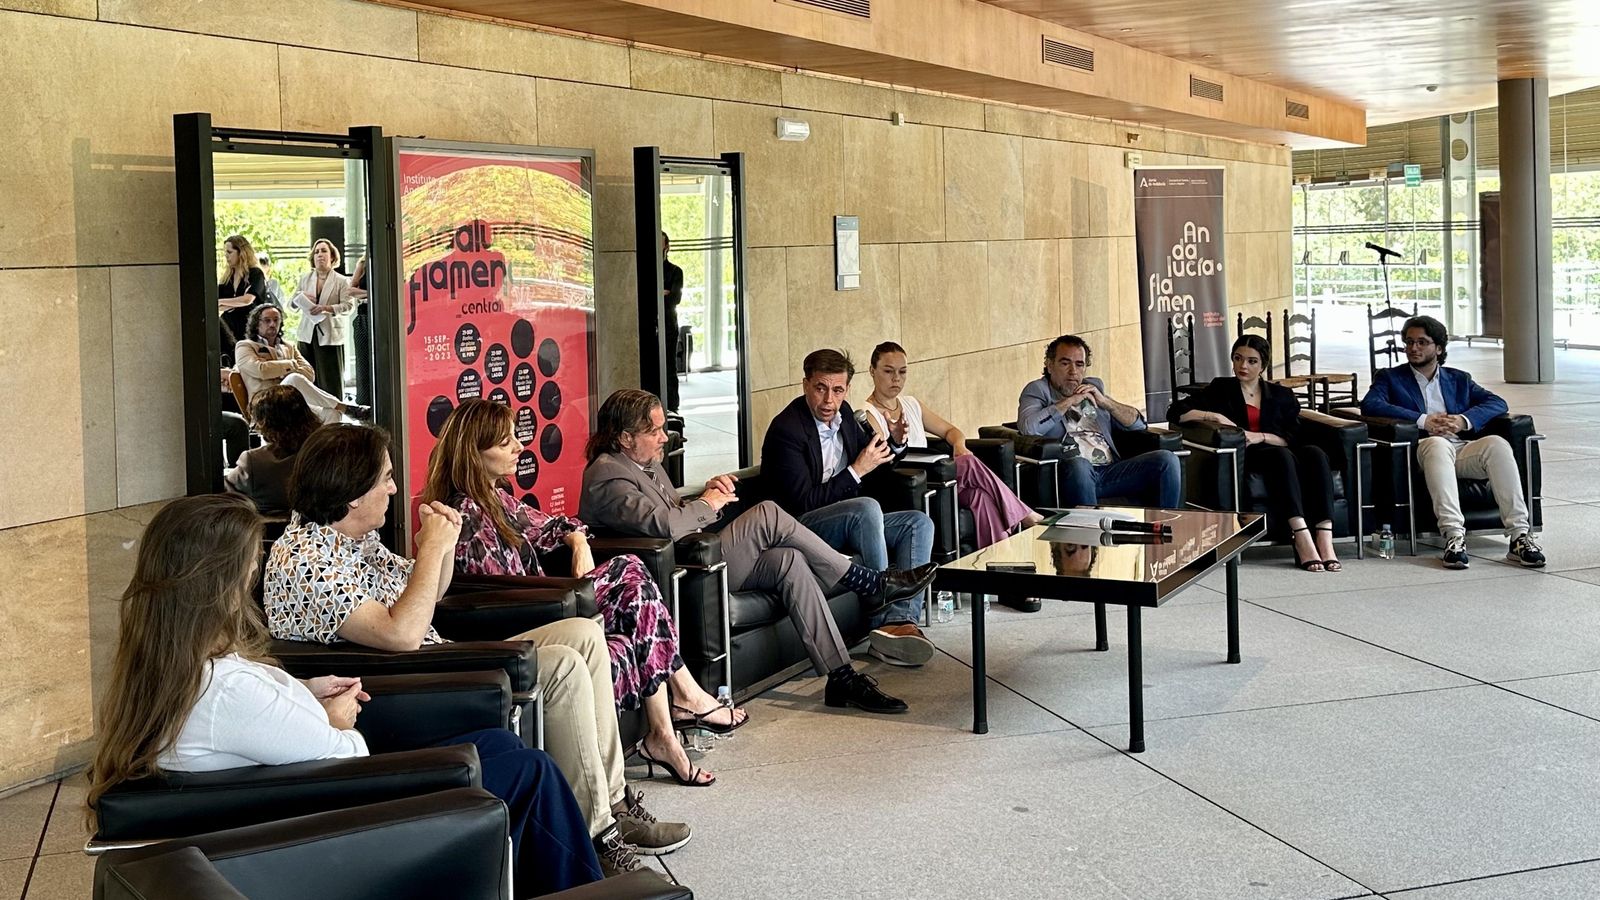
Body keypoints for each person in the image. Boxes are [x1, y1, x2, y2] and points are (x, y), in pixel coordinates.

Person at [86, 494, 605, 898]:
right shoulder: (226, 689)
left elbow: (248, 723)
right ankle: (589, 890)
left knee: (503, 746)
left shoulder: (163, 670)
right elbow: (346, 754)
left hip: (300, 790)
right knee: (529, 771)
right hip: (337, 812)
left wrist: (301, 695)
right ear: (220, 582)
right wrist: (333, 717)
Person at [263, 425, 690, 876]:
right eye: (385, 478)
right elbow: (402, 634)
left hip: (440, 657)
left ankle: (616, 800)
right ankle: (599, 830)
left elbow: (428, 594)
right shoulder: (307, 559)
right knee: (563, 665)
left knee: (584, 634)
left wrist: (441, 547)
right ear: (351, 494)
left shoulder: (353, 541)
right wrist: (431, 551)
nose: (393, 487)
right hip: (417, 685)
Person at [423, 399, 748, 787]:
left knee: (634, 617)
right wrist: (565, 588)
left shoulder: (498, 500)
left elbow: (560, 524)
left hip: (548, 604)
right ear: (474, 454)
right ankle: (681, 704)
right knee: (630, 570)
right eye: (505, 442)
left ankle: (665, 729)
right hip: (529, 622)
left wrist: (577, 541)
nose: (518, 448)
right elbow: (499, 599)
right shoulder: (469, 516)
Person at [582, 390, 940, 714]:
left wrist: (707, 495)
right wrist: (707, 504)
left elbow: (675, 512)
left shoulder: (645, 463)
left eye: (662, 428)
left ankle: (841, 676)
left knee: (790, 560)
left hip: (703, 557)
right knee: (768, 513)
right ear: (625, 437)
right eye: (654, 431)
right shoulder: (607, 475)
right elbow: (663, 526)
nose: (664, 437)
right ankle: (869, 583)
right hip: (685, 574)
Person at [760, 349, 938, 667]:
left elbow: (874, 462)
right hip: (800, 528)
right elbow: (801, 503)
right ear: (805, 385)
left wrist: (895, 443)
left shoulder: (845, 419)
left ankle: (901, 622)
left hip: (847, 519)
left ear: (847, 389)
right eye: (820, 388)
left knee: (918, 522)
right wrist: (856, 470)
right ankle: (882, 618)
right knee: (866, 508)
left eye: (838, 390)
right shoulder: (786, 430)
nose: (829, 400)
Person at [1360, 315, 1546, 570]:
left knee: (1497, 444)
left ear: (1438, 348)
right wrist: (1423, 420)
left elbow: (1497, 403)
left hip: (1461, 448)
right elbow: (1371, 404)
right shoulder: (1390, 378)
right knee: (1437, 444)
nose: (1413, 348)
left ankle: (1519, 537)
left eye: (1422, 342)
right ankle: (1453, 537)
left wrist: (1463, 420)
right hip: (1424, 449)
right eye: (1409, 342)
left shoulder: (1458, 379)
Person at [1169, 335, 1341, 572]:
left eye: (1251, 361)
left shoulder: (1281, 395)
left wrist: (1259, 436)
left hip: (1276, 446)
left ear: (1263, 365)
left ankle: (1324, 535)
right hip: (1250, 456)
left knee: (1315, 454)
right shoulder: (1222, 388)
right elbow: (1176, 412)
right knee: (1281, 457)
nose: (1243, 366)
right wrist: (1214, 416)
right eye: (1238, 359)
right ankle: (1300, 533)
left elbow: (1293, 436)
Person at [864, 342, 1043, 547]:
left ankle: (997, 560)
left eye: (902, 372)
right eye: (888, 371)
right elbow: (885, 458)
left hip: (942, 479)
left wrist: (958, 445)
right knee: (968, 463)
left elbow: (951, 431)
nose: (896, 378)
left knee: (980, 496)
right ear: (872, 371)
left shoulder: (911, 403)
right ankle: (1023, 513)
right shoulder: (868, 413)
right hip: (913, 483)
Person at [1017, 334, 1182, 509]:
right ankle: (1091, 533)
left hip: (1110, 471)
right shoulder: (1037, 390)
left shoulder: (1092, 389)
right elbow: (1029, 427)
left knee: (1167, 460)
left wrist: (1106, 403)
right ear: (1049, 366)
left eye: (1079, 364)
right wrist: (1069, 401)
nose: (1073, 371)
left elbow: (1139, 425)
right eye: (1065, 363)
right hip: (1072, 472)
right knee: (1080, 464)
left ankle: (1165, 528)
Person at [235, 304, 369, 422]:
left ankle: (319, 449)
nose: (272, 324)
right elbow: (261, 370)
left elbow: (309, 374)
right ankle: (346, 407)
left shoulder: (288, 346)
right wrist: (291, 365)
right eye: (267, 320)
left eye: (276, 320)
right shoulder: (245, 346)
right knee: (294, 378)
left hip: (292, 404)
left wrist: (277, 369)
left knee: (332, 412)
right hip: (264, 405)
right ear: (256, 323)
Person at [225, 385, 320, 518]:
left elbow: (226, 498)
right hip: (319, 532)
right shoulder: (325, 452)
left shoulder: (253, 461)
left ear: (265, 423)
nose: (254, 426)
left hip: (267, 534)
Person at [293, 238, 360, 400]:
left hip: (330, 335)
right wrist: (300, 297)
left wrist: (327, 308)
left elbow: (348, 307)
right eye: (316, 252)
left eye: (324, 251)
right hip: (307, 334)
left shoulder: (342, 280)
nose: (319, 255)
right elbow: (292, 304)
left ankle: (335, 416)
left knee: (330, 381)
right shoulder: (305, 279)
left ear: (332, 257)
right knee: (307, 378)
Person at [218, 235, 267, 367]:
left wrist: (224, 302)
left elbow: (248, 299)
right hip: (229, 326)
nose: (226, 256)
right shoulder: (227, 278)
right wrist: (227, 303)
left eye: (229, 252)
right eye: (225, 253)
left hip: (248, 326)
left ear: (241, 252)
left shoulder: (255, 274)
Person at [661, 232, 684, 413]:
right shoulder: (646, 270)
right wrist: (663, 292)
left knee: (669, 367)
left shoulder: (675, 271)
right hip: (651, 325)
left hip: (669, 324)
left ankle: (672, 408)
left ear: (667, 246)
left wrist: (666, 294)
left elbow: (674, 298)